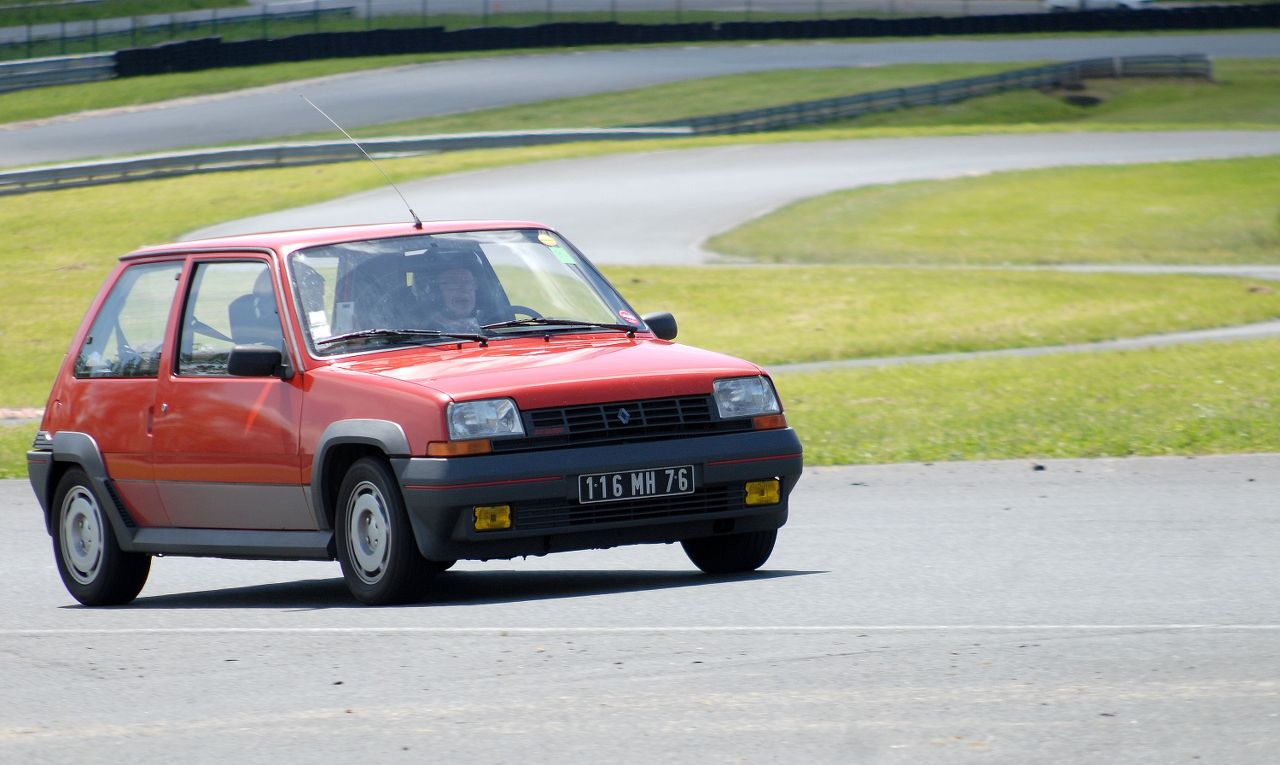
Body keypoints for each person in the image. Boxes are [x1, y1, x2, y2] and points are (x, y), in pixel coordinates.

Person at [426, 265, 482, 334]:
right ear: (436, 292)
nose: (464, 289)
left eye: (468, 282)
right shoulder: (424, 334)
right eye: (453, 283)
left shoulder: (490, 325)